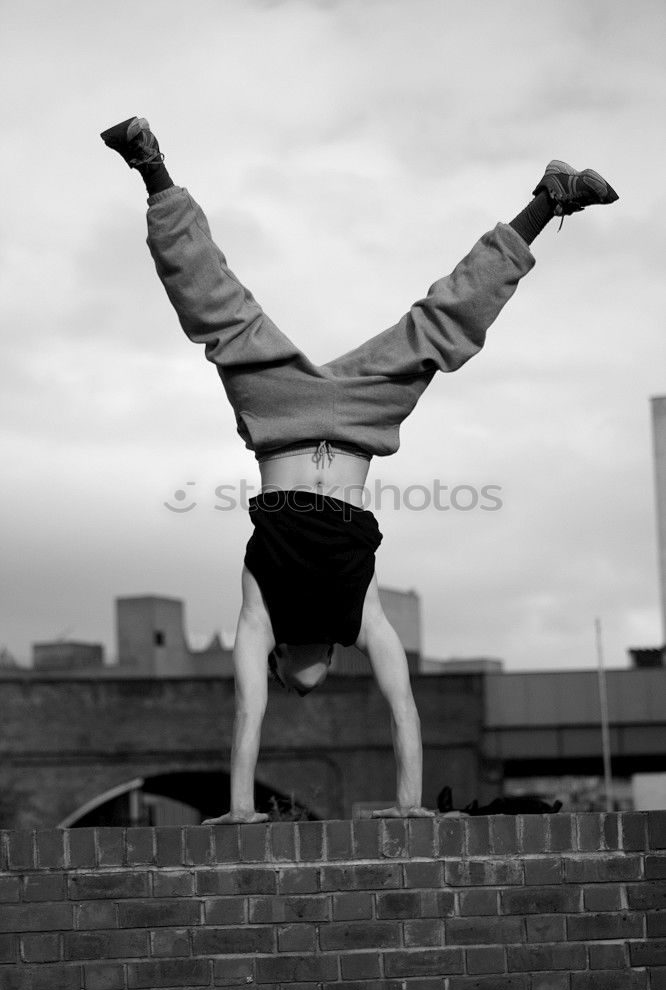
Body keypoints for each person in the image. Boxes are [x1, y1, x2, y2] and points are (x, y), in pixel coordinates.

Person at [101, 116, 618, 823]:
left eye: (286, 678)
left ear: (281, 660)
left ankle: (151, 166)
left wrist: (242, 807)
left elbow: (247, 707)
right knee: (440, 328)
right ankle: (547, 201)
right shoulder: (360, 612)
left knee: (216, 310)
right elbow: (402, 703)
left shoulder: (262, 613)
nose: (294, 681)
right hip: (357, 423)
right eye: (302, 682)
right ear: (334, 663)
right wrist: (409, 806)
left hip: (279, 416)